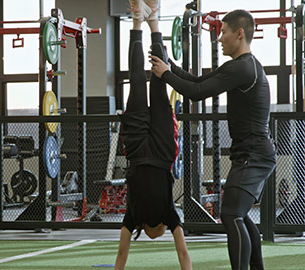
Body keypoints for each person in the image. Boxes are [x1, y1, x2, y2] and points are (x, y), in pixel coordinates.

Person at [150, 9, 276, 270]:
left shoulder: (243, 68)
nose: (220, 38)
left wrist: (166, 75)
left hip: (253, 156)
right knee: (239, 216)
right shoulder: (241, 66)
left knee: (231, 214)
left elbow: (196, 93)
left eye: (224, 32)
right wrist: (169, 66)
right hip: (251, 154)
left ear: (239, 34)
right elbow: (197, 81)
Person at [114, 1, 192, 270]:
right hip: (152, 150)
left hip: (148, 150)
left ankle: (148, 22)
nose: (153, 237)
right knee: (149, 79)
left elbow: (182, 255)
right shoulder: (164, 217)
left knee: (149, 81)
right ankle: (147, 22)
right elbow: (122, 258)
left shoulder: (137, 218)